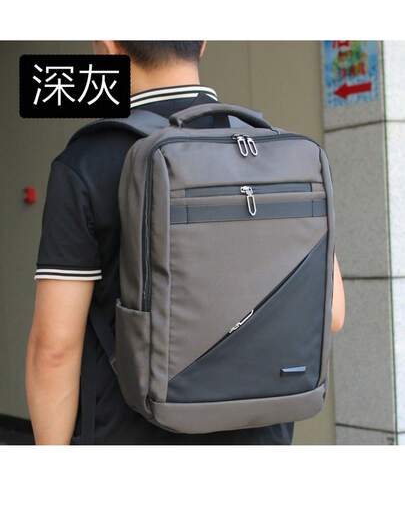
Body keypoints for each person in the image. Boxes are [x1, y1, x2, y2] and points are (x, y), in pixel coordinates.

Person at [25, 41, 346, 445]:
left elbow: (54, 350)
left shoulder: (87, 161)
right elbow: (332, 313)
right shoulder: (276, 151)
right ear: (203, 41)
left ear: (106, 45)